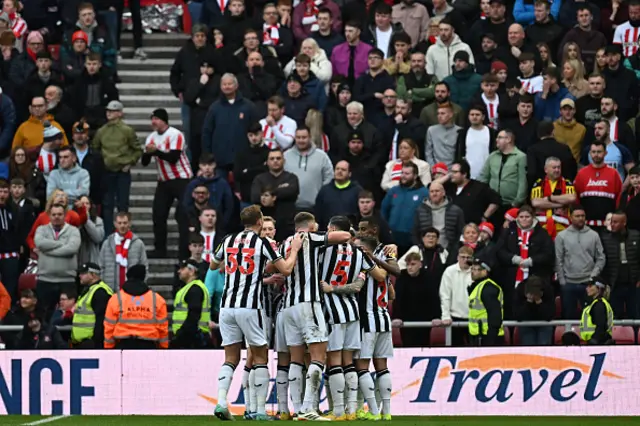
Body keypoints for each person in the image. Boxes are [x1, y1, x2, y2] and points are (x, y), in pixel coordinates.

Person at [210, 206, 305, 421]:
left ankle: (221, 402)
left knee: (231, 358)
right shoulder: (261, 242)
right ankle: (260, 411)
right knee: (260, 356)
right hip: (250, 306)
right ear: (259, 222)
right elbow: (286, 269)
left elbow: (214, 265)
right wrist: (296, 249)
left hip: (226, 307)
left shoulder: (227, 240)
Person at [319, 220, 386, 421]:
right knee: (349, 363)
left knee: (334, 362)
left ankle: (338, 411)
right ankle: (351, 410)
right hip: (353, 311)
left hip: (331, 310)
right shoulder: (359, 253)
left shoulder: (322, 251)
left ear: (332, 230)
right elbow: (380, 275)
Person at [142, 108, 193, 258]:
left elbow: (173, 157)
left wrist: (155, 151)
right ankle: (160, 248)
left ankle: (185, 249)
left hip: (181, 179)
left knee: (184, 214)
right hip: (164, 181)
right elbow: (145, 162)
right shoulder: (151, 138)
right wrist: (146, 152)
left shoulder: (175, 134)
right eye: (152, 119)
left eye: (156, 119)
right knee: (158, 214)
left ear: (164, 120)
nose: (153, 122)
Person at [496, 205, 554, 319]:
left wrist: (532, 260)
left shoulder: (542, 233)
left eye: (527, 216)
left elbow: (548, 253)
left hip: (535, 277)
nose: (524, 219)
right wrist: (512, 258)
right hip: (512, 278)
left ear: (533, 217)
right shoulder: (508, 232)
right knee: (512, 308)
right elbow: (499, 250)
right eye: (521, 217)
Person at [93, 100, 141, 236]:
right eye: (108, 111)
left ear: (120, 113)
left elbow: (137, 150)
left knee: (122, 204)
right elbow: (95, 148)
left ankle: (124, 232)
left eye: (113, 111)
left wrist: (130, 162)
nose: (109, 113)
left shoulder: (127, 131)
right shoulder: (102, 131)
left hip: (122, 172)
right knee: (107, 205)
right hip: (107, 172)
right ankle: (109, 234)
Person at [555, 206, 606, 319]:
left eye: (582, 216)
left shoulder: (594, 235)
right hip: (568, 283)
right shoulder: (561, 236)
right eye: (577, 216)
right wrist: (562, 280)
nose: (580, 218)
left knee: (590, 317)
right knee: (568, 317)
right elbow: (558, 259)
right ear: (571, 217)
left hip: (588, 283)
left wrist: (593, 276)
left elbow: (601, 257)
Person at [104, 264, 169, 349]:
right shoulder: (157, 299)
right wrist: (164, 348)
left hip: (123, 345)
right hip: (148, 345)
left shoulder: (116, 298)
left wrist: (108, 348)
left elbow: (109, 327)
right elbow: (163, 328)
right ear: (144, 277)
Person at [202, 73, 257, 174]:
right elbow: (207, 132)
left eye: (230, 84)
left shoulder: (248, 106)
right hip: (220, 160)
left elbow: (256, 130)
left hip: (243, 159)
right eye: (224, 84)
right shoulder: (214, 108)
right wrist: (208, 155)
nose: (227, 86)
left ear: (236, 86)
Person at [34, 203, 82, 316]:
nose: (56, 217)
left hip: (67, 281)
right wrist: (62, 244)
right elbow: (39, 243)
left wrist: (46, 251)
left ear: (64, 215)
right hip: (45, 280)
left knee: (67, 315)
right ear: (49, 216)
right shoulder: (41, 230)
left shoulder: (73, 231)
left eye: (59, 214)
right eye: (54, 214)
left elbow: (72, 248)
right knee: (43, 315)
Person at [251, 149, 299, 240]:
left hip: (287, 225)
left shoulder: (291, 177)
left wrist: (270, 194)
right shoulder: (259, 178)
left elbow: (292, 191)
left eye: (278, 158)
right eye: (272, 159)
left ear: (283, 161)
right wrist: (281, 189)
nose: (275, 161)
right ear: (267, 162)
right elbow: (255, 196)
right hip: (265, 226)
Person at [381, 162, 429, 254]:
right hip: (392, 238)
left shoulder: (424, 193)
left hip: (412, 239)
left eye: (407, 174)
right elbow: (384, 210)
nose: (403, 176)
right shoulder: (393, 191)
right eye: (402, 173)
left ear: (415, 176)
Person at [574, 140, 623, 229]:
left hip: (608, 226)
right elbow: (576, 199)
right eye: (593, 152)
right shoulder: (581, 174)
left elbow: (619, 197)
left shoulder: (613, 173)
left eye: (599, 152)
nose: (596, 155)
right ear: (590, 153)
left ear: (605, 153)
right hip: (586, 225)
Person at [284, 126, 334, 212]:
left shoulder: (322, 156)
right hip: (290, 207)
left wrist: (321, 195)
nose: (301, 140)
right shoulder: (285, 156)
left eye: (304, 137)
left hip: (316, 207)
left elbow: (329, 177)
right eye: (298, 137)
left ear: (310, 137)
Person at [600, 211, 640, 319]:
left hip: (633, 285)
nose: (612, 225)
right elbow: (602, 262)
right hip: (615, 285)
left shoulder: (636, 236)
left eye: (616, 222)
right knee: (615, 317)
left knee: (636, 316)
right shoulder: (605, 239)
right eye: (611, 222)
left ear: (624, 223)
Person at [182, 153, 234, 230]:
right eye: (204, 165)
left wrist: (223, 223)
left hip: (219, 226)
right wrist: (194, 222)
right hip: (197, 226)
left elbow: (229, 205)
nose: (207, 168)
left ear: (214, 165)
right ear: (200, 166)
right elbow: (187, 204)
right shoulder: (193, 184)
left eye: (210, 165)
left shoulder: (222, 183)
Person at [99, 212, 148, 292]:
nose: (122, 226)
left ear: (129, 223)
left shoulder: (138, 244)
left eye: (125, 223)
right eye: (119, 223)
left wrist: (140, 286)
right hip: (110, 290)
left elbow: (144, 266)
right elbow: (101, 266)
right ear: (115, 224)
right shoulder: (107, 243)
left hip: (132, 290)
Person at [413, 181, 464, 259]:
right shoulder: (420, 210)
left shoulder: (456, 210)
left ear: (443, 193)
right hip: (426, 251)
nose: (434, 194)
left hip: (449, 251)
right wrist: (420, 247)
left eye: (437, 191)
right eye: (431, 191)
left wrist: (454, 249)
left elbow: (460, 232)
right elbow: (415, 232)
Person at [479, 130, 528, 210]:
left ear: (508, 139)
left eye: (499, 137)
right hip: (492, 204)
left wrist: (516, 203)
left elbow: (523, 182)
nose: (496, 140)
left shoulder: (520, 157)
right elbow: (484, 177)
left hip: (511, 204)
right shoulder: (493, 156)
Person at [435, 245, 473, 346]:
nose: (465, 260)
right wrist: (446, 315)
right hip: (454, 318)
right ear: (457, 258)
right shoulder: (449, 271)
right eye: (462, 257)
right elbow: (445, 295)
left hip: (473, 318)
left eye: (468, 257)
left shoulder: (476, 272)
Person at [530, 157, 577, 239]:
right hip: (542, 226)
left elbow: (571, 198)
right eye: (554, 167)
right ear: (546, 169)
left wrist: (550, 198)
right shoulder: (539, 183)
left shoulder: (567, 183)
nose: (557, 170)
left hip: (563, 227)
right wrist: (560, 204)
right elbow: (536, 203)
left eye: (559, 167)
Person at [71, 262, 113, 348]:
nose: (79, 276)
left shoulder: (100, 292)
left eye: (83, 273)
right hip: (83, 343)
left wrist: (96, 343)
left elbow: (101, 321)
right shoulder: (91, 290)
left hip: (91, 344)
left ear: (92, 275)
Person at [172, 259, 211, 349]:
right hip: (192, 336)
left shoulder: (195, 289)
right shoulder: (193, 287)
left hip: (192, 339)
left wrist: (180, 335)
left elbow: (194, 315)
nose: (179, 271)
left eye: (182, 268)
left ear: (191, 271)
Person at [447, 160, 501, 226]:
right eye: (451, 171)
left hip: (472, 229)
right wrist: (447, 176)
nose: (451, 175)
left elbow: (496, 200)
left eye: (455, 172)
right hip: (453, 228)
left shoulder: (478, 187)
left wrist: (485, 217)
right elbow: (434, 185)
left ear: (464, 174)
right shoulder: (449, 186)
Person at [315, 161, 362, 230]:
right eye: (337, 169)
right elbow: (318, 214)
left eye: (343, 170)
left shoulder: (357, 191)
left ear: (349, 174)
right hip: (327, 232)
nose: (339, 171)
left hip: (350, 233)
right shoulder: (324, 190)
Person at [467, 258, 504, 346]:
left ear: (485, 271)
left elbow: (494, 314)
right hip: (478, 335)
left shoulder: (488, 288)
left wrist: (490, 339)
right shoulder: (478, 286)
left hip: (487, 336)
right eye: (472, 268)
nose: (472, 271)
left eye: (476, 269)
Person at [455, 106, 496, 178]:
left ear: (483, 117)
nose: (474, 117)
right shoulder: (463, 133)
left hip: (487, 174)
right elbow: (459, 153)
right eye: (472, 114)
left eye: (477, 115)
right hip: (468, 175)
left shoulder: (492, 133)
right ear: (468, 117)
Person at [514, 275, 555, 345]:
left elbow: (549, 316)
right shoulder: (520, 289)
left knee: (543, 345)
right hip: (526, 323)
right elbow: (518, 316)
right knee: (528, 345)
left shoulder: (547, 289)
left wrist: (539, 301)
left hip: (544, 323)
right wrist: (528, 302)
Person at [330, 21, 373, 86]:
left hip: (362, 87)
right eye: (346, 31)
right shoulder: (337, 50)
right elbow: (334, 72)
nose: (347, 34)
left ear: (358, 32)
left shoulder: (368, 50)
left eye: (350, 31)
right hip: (342, 88)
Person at [395, 51, 437, 116]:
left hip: (429, 114)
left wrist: (412, 91)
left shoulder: (432, 78)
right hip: (409, 115)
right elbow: (402, 96)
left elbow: (432, 92)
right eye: (414, 61)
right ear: (410, 63)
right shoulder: (402, 78)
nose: (416, 63)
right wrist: (424, 97)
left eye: (419, 61)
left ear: (425, 63)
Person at [579, 279, 614, 344]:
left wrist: (594, 340)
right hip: (597, 341)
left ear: (599, 288)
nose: (587, 288)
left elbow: (601, 326)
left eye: (590, 286)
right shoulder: (597, 303)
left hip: (598, 343)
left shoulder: (599, 304)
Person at [553, 97, 587, 163]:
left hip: (575, 165)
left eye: (570, 109)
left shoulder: (581, 129)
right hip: (557, 165)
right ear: (560, 111)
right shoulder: (553, 127)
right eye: (565, 109)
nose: (567, 112)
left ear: (574, 111)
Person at [77, 195, 104, 265]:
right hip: (76, 258)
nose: (85, 205)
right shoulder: (73, 219)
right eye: (82, 203)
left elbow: (98, 238)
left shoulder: (98, 221)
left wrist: (86, 219)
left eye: (87, 203)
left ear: (91, 206)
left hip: (92, 259)